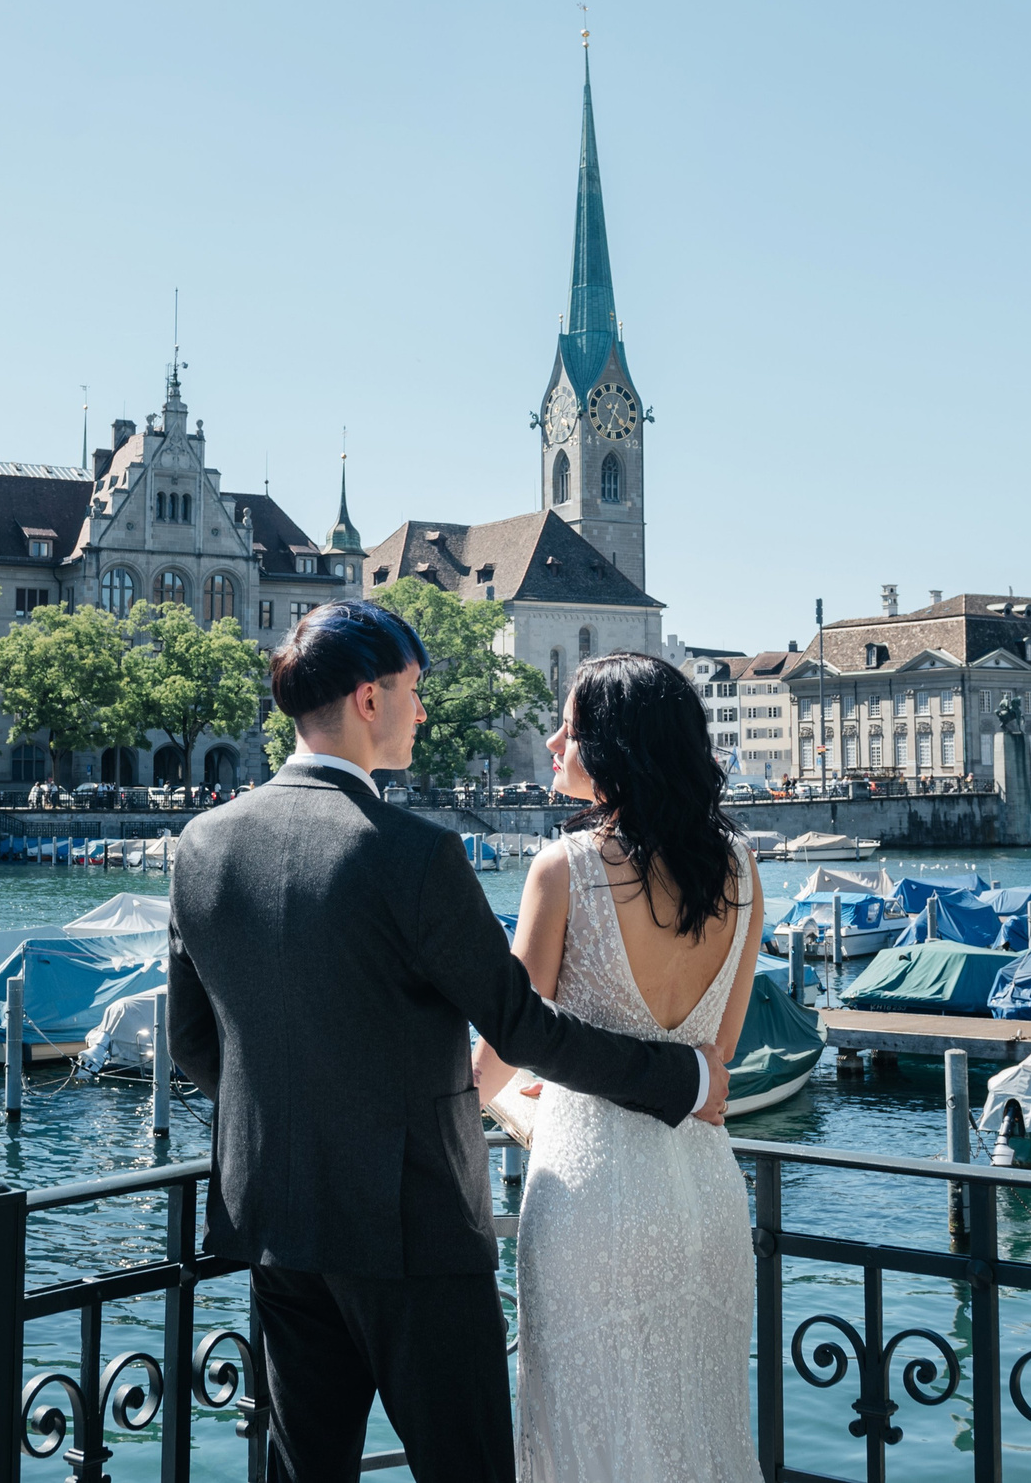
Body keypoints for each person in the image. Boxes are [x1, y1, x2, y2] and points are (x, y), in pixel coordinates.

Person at [166, 601, 720, 1483]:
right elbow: (523, 1027)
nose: (424, 711)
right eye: (416, 689)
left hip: (277, 1219)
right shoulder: (414, 853)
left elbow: (194, 1043)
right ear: (368, 699)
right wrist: (679, 1077)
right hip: (412, 1225)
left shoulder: (199, 845)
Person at [477, 653, 763, 1483]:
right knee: (698, 1433)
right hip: (703, 1193)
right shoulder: (741, 870)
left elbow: (506, 1044)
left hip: (589, 1198)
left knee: (585, 1433)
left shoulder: (563, 868)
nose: (554, 737)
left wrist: (463, 1106)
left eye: (571, 723)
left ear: (618, 745)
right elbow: (716, 1061)